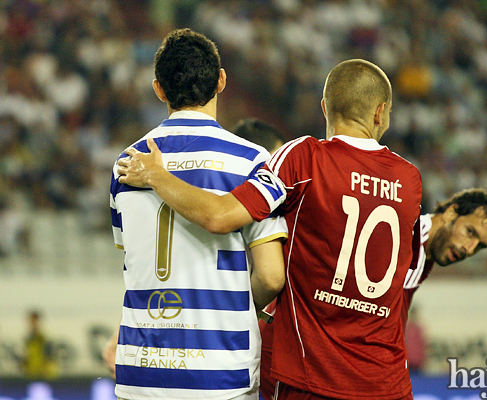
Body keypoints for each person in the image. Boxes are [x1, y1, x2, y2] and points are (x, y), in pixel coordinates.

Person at [117, 59, 422, 400]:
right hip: (388, 381)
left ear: (324, 108)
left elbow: (221, 216)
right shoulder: (409, 179)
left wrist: (157, 175)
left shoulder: (303, 158)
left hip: (313, 377)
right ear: (381, 112)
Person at [109, 28, 287, 400]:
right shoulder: (250, 161)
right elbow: (271, 276)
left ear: (159, 89)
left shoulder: (127, 165)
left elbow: (133, 258)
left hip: (141, 370)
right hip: (220, 371)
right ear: (221, 80)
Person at [259, 187, 487, 398]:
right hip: (292, 355)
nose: (469, 248)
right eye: (470, 232)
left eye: (480, 246)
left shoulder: (423, 250)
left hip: (309, 359)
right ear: (451, 212)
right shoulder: (404, 238)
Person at [21, 310, 58, 380]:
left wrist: (46, 372)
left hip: (43, 376)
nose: (33, 324)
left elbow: (50, 359)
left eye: (35, 321)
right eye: (31, 321)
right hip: (30, 375)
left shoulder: (44, 339)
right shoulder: (28, 340)